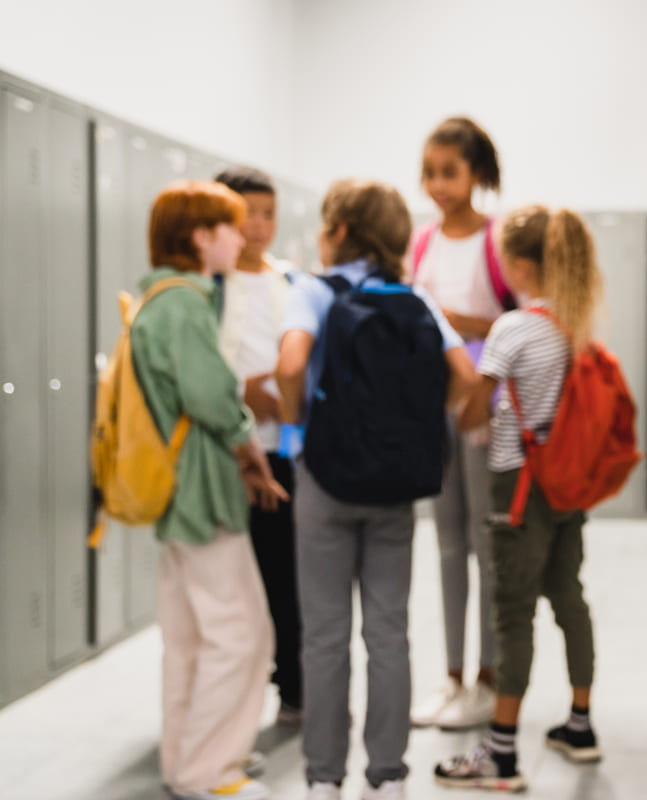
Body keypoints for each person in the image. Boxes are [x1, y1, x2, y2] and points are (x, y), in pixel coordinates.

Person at [276, 178, 477, 800]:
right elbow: (465, 376)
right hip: (395, 486)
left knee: (325, 633)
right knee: (389, 632)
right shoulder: (415, 298)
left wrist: (297, 431)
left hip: (326, 481)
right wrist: (417, 428)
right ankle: (387, 775)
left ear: (337, 232)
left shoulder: (312, 290)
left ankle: (324, 777)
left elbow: (288, 367)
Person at [433, 206, 604, 793]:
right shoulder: (575, 324)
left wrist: (464, 393)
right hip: (566, 488)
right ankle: (580, 726)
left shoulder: (512, 328)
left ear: (519, 264)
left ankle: (501, 755)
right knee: (569, 600)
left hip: (519, 489)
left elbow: (473, 412)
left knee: (511, 614)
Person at [136, 180, 288, 800]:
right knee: (241, 631)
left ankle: (185, 764)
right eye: (230, 225)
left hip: (175, 496)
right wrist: (250, 447)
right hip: (203, 494)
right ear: (202, 237)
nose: (242, 236)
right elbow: (212, 397)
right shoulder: (187, 304)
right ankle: (212, 771)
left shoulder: (156, 300)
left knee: (190, 638)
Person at [409, 116, 513, 731]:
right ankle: (450, 677)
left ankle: (488, 677)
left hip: (485, 409)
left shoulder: (498, 242)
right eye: (429, 172)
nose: (438, 184)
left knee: (484, 546)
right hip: (433, 407)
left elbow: (520, 326)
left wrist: (458, 320)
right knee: (446, 544)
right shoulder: (421, 242)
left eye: (449, 171)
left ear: (476, 173)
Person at [214, 165, 304, 726]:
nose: (259, 225)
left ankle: (293, 686)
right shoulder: (210, 285)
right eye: (247, 213)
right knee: (231, 584)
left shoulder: (290, 281)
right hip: (225, 453)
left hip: (283, 451)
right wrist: (242, 393)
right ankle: (231, 703)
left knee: (286, 578)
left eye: (268, 213)